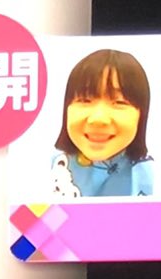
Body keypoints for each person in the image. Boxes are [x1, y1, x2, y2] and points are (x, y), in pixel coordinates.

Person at [50, 49, 154, 199]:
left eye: (119, 102)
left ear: (142, 114)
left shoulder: (155, 178)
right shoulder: (40, 169)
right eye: (84, 100)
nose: (98, 119)